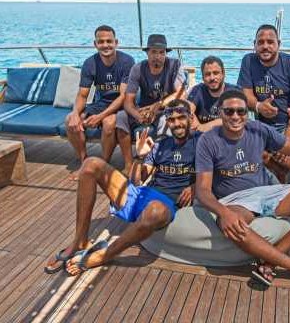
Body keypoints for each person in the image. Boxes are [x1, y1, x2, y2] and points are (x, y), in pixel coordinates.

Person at [195, 89, 290, 295]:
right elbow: (202, 190)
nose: (235, 116)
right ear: (220, 112)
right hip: (236, 200)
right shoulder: (208, 140)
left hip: (267, 191)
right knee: (231, 224)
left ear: (247, 113)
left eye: (241, 111)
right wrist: (224, 212)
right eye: (229, 111)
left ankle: (271, 262)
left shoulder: (259, 129)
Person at [45, 99, 200, 275]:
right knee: (90, 164)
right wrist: (140, 157)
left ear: (190, 117)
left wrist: (195, 186)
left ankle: (104, 255)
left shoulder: (201, 143)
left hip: (164, 205)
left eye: (181, 118)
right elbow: (136, 180)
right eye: (171, 120)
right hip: (142, 195)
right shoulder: (161, 145)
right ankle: (79, 242)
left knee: (155, 210)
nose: (177, 123)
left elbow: (214, 172)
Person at [237, 24, 290, 184]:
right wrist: (259, 106)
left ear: (279, 44)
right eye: (260, 42)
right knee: (255, 151)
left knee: (284, 152)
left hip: (288, 122)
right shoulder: (248, 61)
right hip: (262, 123)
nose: (265, 46)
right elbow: (245, 94)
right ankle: (279, 172)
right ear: (254, 45)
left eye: (270, 42)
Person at [65, 25, 134, 179]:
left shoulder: (127, 61)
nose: (105, 45)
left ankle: (102, 164)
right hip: (101, 103)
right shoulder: (90, 63)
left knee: (109, 123)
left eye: (109, 41)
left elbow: (123, 96)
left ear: (116, 42)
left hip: (122, 105)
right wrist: (75, 113)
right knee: (70, 121)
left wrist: (100, 117)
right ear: (95, 44)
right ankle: (84, 162)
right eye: (101, 41)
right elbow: (83, 95)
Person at [116, 34, 186, 175]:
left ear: (165, 53)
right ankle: (128, 164)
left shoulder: (175, 65)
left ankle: (161, 162)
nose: (157, 56)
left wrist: (159, 105)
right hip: (144, 110)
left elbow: (181, 93)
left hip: (166, 109)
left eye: (161, 52)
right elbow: (128, 101)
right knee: (121, 117)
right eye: (153, 52)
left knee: (167, 120)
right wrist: (138, 115)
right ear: (147, 52)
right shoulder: (137, 68)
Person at [188, 55, 238, 131]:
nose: (212, 78)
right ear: (203, 77)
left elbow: (232, 118)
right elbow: (187, 111)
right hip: (202, 136)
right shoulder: (198, 90)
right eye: (207, 74)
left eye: (216, 73)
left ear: (223, 74)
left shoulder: (234, 91)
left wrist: (201, 127)